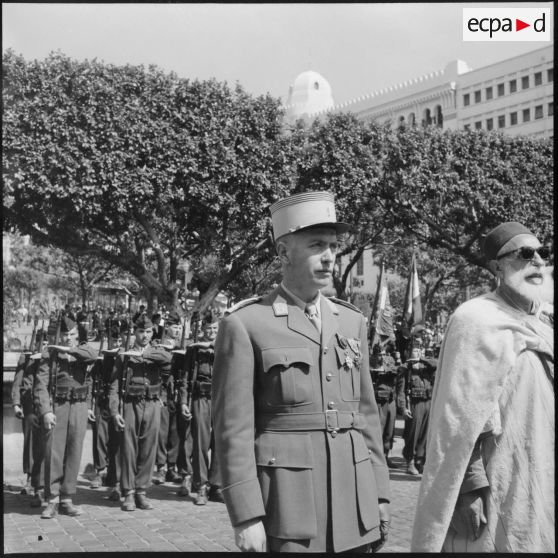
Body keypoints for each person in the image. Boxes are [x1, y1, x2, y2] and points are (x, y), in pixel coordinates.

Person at [212, 191, 390, 552]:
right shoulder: (247, 324)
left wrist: (381, 495)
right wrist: (246, 516)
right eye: (316, 245)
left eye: (333, 246)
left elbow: (366, 417)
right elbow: (234, 429)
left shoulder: (351, 321)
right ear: (283, 252)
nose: (329, 257)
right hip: (288, 509)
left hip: (354, 501)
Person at [411, 222, 554, 552]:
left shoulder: (546, 321)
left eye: (542, 253)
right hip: (501, 477)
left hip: (545, 469)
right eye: (524, 254)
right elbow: (458, 416)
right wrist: (468, 486)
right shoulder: (475, 318)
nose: (537, 261)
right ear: (497, 267)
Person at [34, 316, 98, 518]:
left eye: (72, 335)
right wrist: (46, 411)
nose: (68, 338)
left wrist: (70, 350)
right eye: (65, 335)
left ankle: (67, 498)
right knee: (54, 452)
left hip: (79, 406)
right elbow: (40, 385)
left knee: (74, 451)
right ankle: (51, 499)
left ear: (78, 336)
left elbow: (93, 355)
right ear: (58, 335)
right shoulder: (50, 354)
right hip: (58, 406)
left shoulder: (83, 352)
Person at [108, 314, 171, 512]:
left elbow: (168, 360)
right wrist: (113, 409)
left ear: (153, 332)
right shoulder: (123, 353)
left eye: (149, 331)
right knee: (128, 449)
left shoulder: (157, 351)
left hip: (152, 404)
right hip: (130, 404)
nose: (145, 335)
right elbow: (114, 384)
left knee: (148, 449)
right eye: (141, 331)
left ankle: (141, 491)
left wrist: (145, 354)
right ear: (134, 332)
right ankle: (128, 492)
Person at [180, 320, 223, 505]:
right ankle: (201, 487)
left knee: (220, 442)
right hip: (201, 397)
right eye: (208, 328)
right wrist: (183, 401)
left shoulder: (225, 346)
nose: (212, 332)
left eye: (215, 328)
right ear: (202, 330)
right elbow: (185, 377)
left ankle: (216, 485)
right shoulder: (194, 350)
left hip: (221, 398)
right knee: (200, 443)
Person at [89, 326, 123, 497]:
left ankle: (114, 475)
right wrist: (90, 405)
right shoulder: (100, 361)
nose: (115, 344)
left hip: (116, 404)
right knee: (100, 438)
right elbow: (91, 382)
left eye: (118, 341)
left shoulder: (123, 359)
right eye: (112, 341)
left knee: (117, 438)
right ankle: (100, 471)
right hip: (102, 402)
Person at [153, 310, 183, 485]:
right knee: (162, 432)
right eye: (174, 326)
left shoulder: (185, 346)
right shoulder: (159, 345)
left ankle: (172, 467)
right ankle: (161, 468)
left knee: (175, 433)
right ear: (168, 327)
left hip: (179, 394)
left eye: (179, 327)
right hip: (163, 393)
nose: (177, 330)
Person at [396, 346, 436, 475]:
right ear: (409, 352)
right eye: (416, 350)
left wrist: (421, 359)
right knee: (412, 434)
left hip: (427, 403)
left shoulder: (427, 366)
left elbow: (436, 364)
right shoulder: (405, 369)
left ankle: (420, 461)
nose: (419, 352)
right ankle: (410, 461)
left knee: (425, 434)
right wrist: (403, 408)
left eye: (421, 350)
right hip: (414, 404)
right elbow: (401, 391)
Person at [369, 343, 399, 468]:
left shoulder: (389, 360)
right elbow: (371, 371)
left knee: (389, 430)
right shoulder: (370, 361)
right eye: (379, 354)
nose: (382, 356)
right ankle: (375, 457)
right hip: (378, 401)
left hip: (390, 399)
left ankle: (386, 455)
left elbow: (396, 369)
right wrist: (377, 368)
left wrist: (386, 368)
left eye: (384, 353)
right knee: (378, 430)